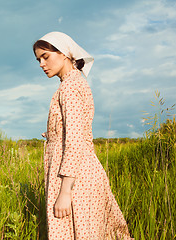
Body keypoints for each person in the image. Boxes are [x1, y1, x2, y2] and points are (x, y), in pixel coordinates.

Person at [33, 32, 132, 239]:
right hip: (80, 173)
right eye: (38, 59)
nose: (42, 64)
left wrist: (65, 191)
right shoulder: (73, 83)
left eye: (46, 56)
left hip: (76, 180)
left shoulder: (69, 88)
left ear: (64, 54)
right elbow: (74, 129)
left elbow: (75, 140)